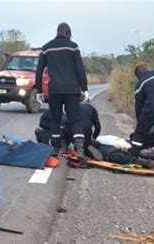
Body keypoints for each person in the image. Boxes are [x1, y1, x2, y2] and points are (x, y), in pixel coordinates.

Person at [35, 23, 89, 167]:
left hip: (55, 90)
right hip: (72, 90)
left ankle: (55, 150)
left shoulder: (46, 47)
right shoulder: (73, 46)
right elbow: (80, 69)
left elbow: (39, 70)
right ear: (68, 32)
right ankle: (80, 150)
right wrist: (84, 88)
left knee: (55, 119)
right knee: (75, 120)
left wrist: (39, 91)